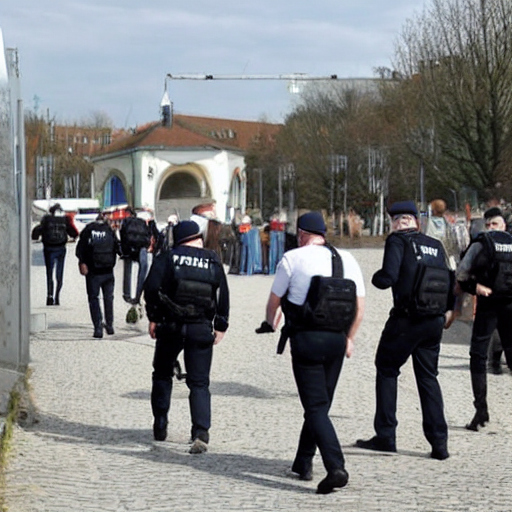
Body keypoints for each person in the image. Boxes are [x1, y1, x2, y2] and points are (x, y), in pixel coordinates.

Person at [257, 211, 365, 495]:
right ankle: (303, 462)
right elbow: (359, 306)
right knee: (321, 405)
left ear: (302, 233)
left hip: (306, 339)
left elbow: (274, 301)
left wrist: (270, 323)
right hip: (337, 341)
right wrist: (350, 340)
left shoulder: (293, 258)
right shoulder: (346, 259)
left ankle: (335, 467)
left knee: (315, 407)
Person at [355, 200, 454, 460]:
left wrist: (377, 279)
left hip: (406, 320)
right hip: (433, 321)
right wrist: (449, 310)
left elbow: (388, 275)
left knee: (386, 369)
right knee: (428, 377)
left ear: (396, 222)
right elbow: (450, 279)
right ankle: (439, 443)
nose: (399, 224)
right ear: (417, 222)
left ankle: (386, 436)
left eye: (398, 221)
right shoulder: (435, 245)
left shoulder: (397, 241)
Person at [143, 220, 229, 454]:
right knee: (199, 382)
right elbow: (222, 294)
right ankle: (200, 432)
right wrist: (220, 324)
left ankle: (160, 423)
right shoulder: (212, 260)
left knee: (162, 374)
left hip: (170, 326)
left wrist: (154, 316)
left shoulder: (168, 257)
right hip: (201, 327)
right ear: (197, 238)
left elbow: (150, 288)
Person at [456, 206, 512, 431]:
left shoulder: (480, 243)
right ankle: (481, 410)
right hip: (509, 305)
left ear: (503, 225)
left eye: (494, 224)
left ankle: (481, 412)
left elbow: (461, 274)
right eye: (488, 225)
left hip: (489, 304)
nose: (490, 228)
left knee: (478, 356)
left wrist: (473, 286)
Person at [76, 213, 120, 338]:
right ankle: (110, 325)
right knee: (108, 297)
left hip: (93, 272)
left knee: (93, 298)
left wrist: (82, 262)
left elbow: (81, 248)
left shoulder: (89, 229)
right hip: (108, 271)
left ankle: (98, 328)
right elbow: (117, 247)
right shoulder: (109, 230)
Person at [31, 203, 79, 306]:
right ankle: (57, 295)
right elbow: (74, 233)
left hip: (48, 248)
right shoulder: (65, 220)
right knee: (59, 273)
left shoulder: (46, 219)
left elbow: (36, 232)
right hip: (61, 248)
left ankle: (49, 296)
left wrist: (36, 237)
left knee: (49, 273)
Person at [119, 207, 152, 305]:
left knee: (128, 269)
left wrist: (123, 250)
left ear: (128, 213)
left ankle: (127, 294)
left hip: (129, 247)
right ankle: (139, 294)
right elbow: (148, 234)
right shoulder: (141, 222)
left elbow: (122, 235)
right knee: (143, 268)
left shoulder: (125, 222)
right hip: (142, 247)